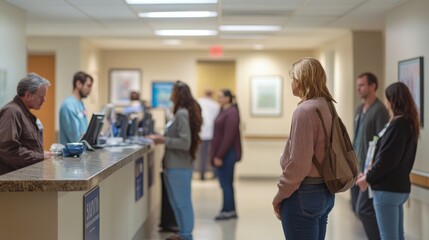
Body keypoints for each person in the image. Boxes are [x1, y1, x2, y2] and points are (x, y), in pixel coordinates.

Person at [272, 57, 335, 239]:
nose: (292, 83)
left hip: (303, 194)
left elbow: (299, 163)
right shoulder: (326, 105)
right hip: (325, 192)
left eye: (293, 78)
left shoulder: (304, 111)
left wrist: (280, 195)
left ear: (300, 81)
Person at [356, 82, 419, 240]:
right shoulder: (408, 123)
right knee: (397, 235)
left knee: (388, 236)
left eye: (386, 99)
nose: (385, 102)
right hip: (400, 188)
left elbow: (387, 159)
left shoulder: (398, 125)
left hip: (387, 190)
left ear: (392, 100)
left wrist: (368, 178)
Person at [148, 81, 202, 240]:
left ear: (179, 94)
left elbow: (185, 142)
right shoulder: (179, 112)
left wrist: (163, 140)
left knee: (182, 203)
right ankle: (182, 233)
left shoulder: (182, 113)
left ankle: (186, 235)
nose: (170, 95)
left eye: (173, 92)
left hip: (180, 166)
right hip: (174, 165)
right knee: (176, 203)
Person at [352, 72, 389, 240]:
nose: (358, 88)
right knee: (357, 207)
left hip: (368, 170)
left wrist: (371, 170)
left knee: (364, 209)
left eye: (362, 85)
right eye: (357, 85)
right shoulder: (360, 110)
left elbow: (381, 142)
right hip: (356, 168)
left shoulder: (379, 110)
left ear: (373, 86)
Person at [0, 73, 52, 175]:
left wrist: (40, 154)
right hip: (13, 183)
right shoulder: (12, 112)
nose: (44, 100)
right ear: (28, 95)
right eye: (41, 97)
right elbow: (8, 150)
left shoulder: (23, 113)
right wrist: (39, 156)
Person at [211, 89, 242, 220]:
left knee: (226, 183)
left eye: (221, 96)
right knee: (225, 183)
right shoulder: (223, 111)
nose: (218, 98)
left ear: (228, 98)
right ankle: (228, 209)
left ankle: (228, 211)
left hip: (227, 153)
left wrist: (219, 155)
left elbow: (228, 137)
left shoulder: (232, 113)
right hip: (223, 152)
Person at [59, 71, 93, 144]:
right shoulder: (68, 105)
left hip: (82, 150)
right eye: (88, 86)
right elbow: (75, 138)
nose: (90, 90)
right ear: (78, 84)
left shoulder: (80, 103)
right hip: (71, 153)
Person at [197, 89, 220, 180]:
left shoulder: (199, 102)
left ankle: (202, 174)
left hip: (201, 133)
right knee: (212, 154)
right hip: (212, 133)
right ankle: (214, 173)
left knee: (202, 155)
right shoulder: (215, 105)